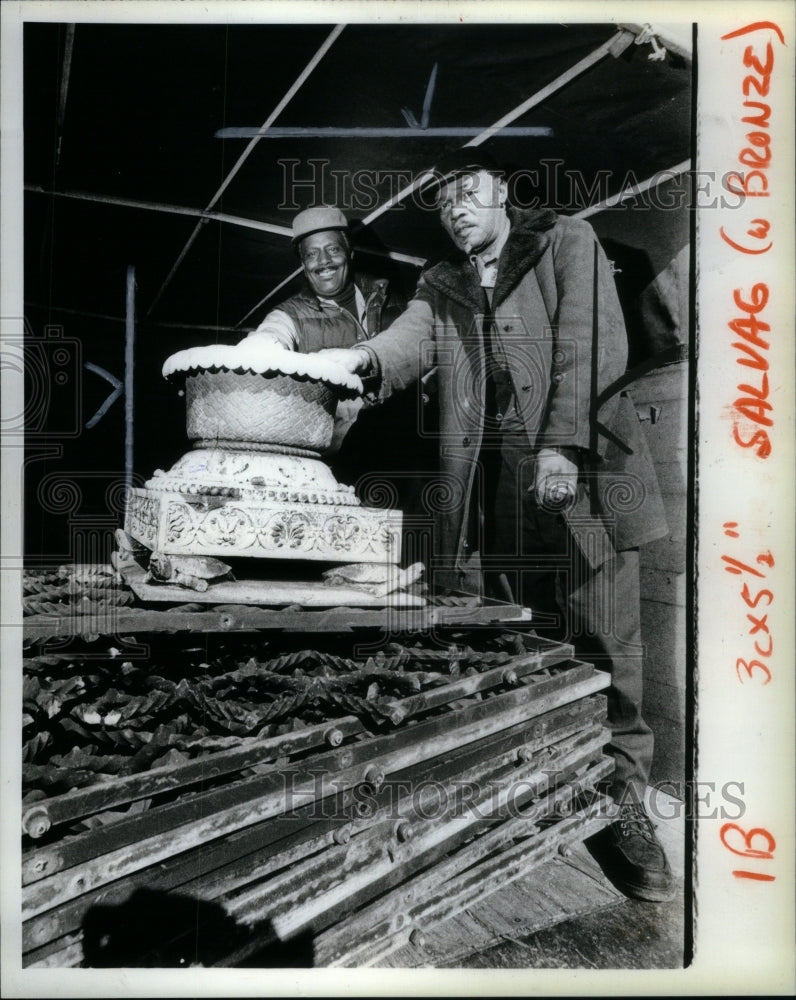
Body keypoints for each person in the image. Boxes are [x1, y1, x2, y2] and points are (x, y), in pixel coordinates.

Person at [319, 150, 675, 902]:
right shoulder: (440, 283)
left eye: (467, 191)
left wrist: (559, 448)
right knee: (521, 637)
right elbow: (407, 344)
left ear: (503, 192)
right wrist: (349, 363)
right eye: (442, 199)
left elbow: (588, 345)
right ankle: (542, 788)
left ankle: (623, 806)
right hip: (493, 486)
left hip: (581, 473)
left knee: (604, 638)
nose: (454, 207)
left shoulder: (565, 240)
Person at [244, 207, 436, 522]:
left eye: (333, 249)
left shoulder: (390, 300)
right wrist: (257, 350)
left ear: (349, 251)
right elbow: (267, 341)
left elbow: (423, 349)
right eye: (312, 254)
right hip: (342, 467)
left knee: (413, 551)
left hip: (407, 460)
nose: (324, 262)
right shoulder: (290, 315)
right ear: (302, 263)